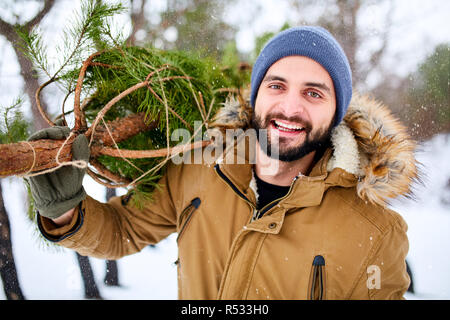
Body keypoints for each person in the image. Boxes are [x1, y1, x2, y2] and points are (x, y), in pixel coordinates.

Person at [27, 26, 417, 299]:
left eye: (314, 93)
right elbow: (124, 230)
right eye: (276, 85)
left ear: (336, 113)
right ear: (255, 96)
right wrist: (65, 213)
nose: (290, 107)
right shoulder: (197, 168)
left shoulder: (375, 231)